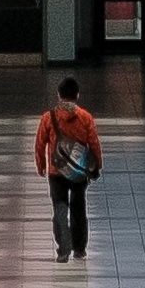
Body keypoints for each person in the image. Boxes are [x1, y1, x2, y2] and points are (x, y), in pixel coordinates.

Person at [32, 71, 101, 264]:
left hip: (56, 171)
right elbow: (94, 143)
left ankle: (63, 249)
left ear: (59, 95)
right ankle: (80, 249)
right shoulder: (85, 117)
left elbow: (40, 143)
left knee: (60, 207)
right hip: (79, 171)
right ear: (77, 94)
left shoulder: (48, 117)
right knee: (79, 208)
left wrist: (41, 165)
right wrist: (96, 166)